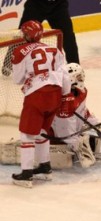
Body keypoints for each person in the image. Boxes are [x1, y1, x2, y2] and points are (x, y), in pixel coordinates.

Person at [11, 20, 71, 188]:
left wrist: (31, 77)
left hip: (37, 94)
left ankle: (27, 173)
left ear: (27, 34)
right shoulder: (55, 49)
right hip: (56, 94)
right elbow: (64, 75)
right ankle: (45, 167)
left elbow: (17, 79)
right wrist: (65, 98)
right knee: (42, 132)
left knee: (27, 135)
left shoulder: (20, 51)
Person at [50, 63, 101, 168]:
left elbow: (82, 111)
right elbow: (64, 131)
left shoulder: (79, 92)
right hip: (55, 135)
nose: (82, 79)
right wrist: (78, 144)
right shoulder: (65, 100)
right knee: (82, 143)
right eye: (79, 77)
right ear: (71, 79)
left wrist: (96, 125)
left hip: (70, 129)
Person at [2, 0, 79, 76]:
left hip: (58, 5)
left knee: (68, 36)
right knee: (23, 35)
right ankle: (8, 63)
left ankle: (75, 67)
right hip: (36, 4)